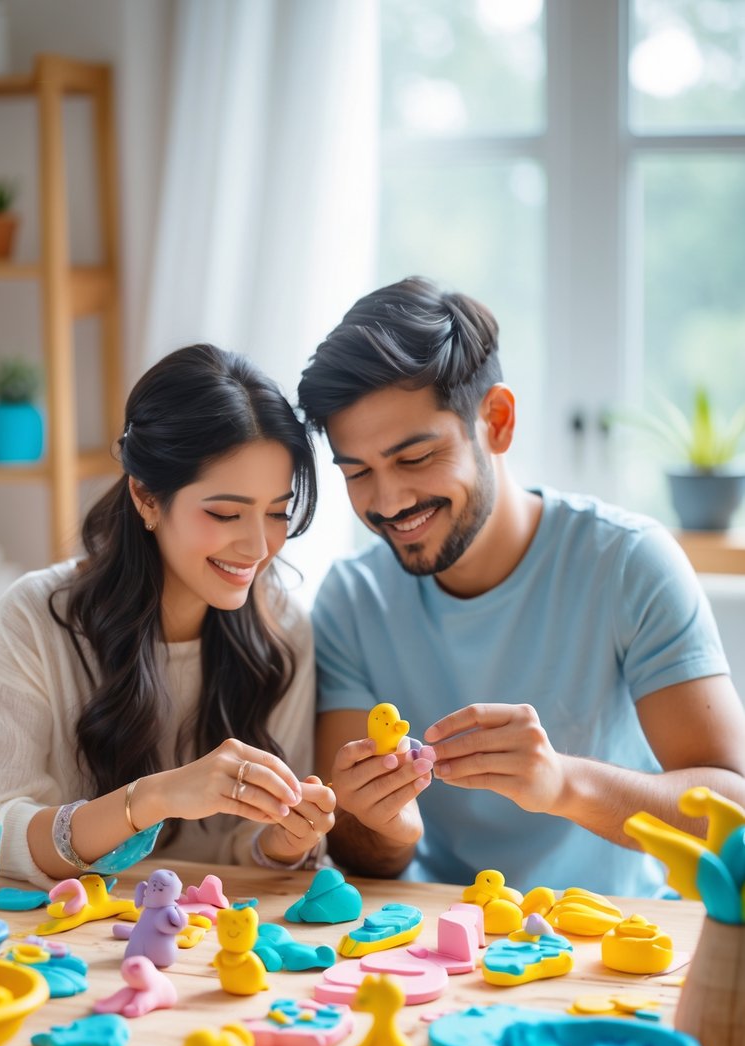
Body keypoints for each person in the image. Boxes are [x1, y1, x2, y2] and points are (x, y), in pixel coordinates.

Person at [297, 276, 745, 895]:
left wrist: (563, 784)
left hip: (618, 939)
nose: (388, 501)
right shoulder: (351, 599)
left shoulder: (629, 563)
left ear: (498, 421)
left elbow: (735, 819)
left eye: (415, 457)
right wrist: (379, 824)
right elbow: (358, 855)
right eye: (358, 472)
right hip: (431, 940)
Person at [0, 344, 335, 886]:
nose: (259, 545)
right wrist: (155, 797)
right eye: (226, 512)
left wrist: (283, 841)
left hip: (214, 945)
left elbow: (244, 851)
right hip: (68, 940)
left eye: (278, 512)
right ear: (146, 496)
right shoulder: (37, 617)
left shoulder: (282, 630)